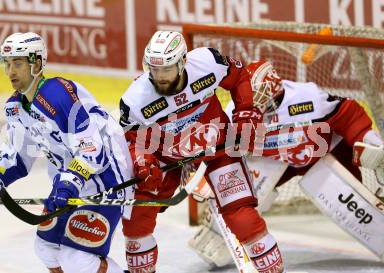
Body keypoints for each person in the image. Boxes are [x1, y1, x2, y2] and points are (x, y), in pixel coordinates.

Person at [0, 32, 133, 273]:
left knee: (78, 260)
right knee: (46, 249)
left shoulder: (58, 94)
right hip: (70, 181)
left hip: (106, 179)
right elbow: (17, 158)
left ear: (37, 64)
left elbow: (93, 151)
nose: (10, 72)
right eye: (7, 64)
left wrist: (69, 183)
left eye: (18, 64)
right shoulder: (14, 107)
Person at [190, 59, 384, 267]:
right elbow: (218, 146)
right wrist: (207, 174)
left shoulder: (306, 97)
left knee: (352, 204)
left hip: (326, 153)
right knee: (237, 191)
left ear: (273, 88)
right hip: (279, 161)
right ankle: (216, 235)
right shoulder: (234, 110)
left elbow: (347, 112)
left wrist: (366, 138)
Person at [119, 31, 285, 273]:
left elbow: (239, 77)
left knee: (242, 216)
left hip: (218, 148)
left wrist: (245, 112)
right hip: (167, 158)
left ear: (182, 62)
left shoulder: (208, 63)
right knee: (136, 221)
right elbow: (132, 139)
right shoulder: (135, 100)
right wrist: (143, 162)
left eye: (166, 70)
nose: (159, 78)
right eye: (154, 70)